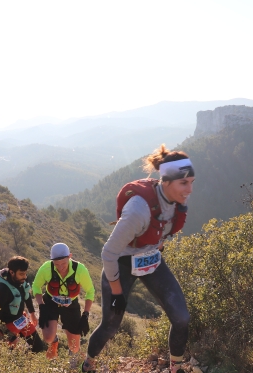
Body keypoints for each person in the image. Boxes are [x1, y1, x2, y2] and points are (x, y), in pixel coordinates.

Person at [82, 144, 194, 373]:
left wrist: (155, 246)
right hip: (121, 266)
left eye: (192, 182)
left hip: (151, 260)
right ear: (166, 181)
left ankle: (176, 367)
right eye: (184, 183)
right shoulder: (138, 210)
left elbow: (164, 231)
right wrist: (116, 292)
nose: (189, 190)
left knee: (182, 318)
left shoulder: (177, 201)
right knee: (111, 325)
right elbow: (109, 254)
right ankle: (88, 363)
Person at [32, 242, 95, 364]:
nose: (60, 267)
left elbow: (90, 292)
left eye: (63, 263)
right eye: (57, 264)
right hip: (51, 302)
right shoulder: (46, 268)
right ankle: (54, 342)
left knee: (74, 347)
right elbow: (36, 287)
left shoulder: (80, 270)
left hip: (71, 305)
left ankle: (71, 364)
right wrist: (41, 306)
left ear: (70, 256)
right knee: (48, 338)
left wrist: (86, 314)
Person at [0, 256, 44, 352]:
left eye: (25, 273)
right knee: (8, 353)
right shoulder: (2, 289)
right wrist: (10, 336)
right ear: (12, 272)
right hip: (6, 324)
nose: (24, 277)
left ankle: (26, 363)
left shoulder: (21, 280)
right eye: (21, 274)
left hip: (20, 319)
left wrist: (32, 313)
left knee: (38, 347)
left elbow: (27, 295)